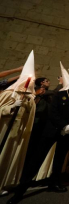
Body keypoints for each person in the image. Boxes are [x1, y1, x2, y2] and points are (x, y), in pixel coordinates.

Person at [7, 77, 69, 204]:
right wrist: (63, 125)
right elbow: (52, 112)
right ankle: (21, 190)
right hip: (52, 131)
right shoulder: (59, 95)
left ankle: (54, 183)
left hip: (68, 133)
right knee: (37, 158)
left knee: (59, 159)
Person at [0, 51, 36, 195]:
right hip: (3, 129)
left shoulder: (29, 99)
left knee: (8, 156)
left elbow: (29, 115)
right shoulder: (8, 94)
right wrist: (11, 107)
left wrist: (27, 104)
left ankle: (3, 183)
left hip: (17, 132)